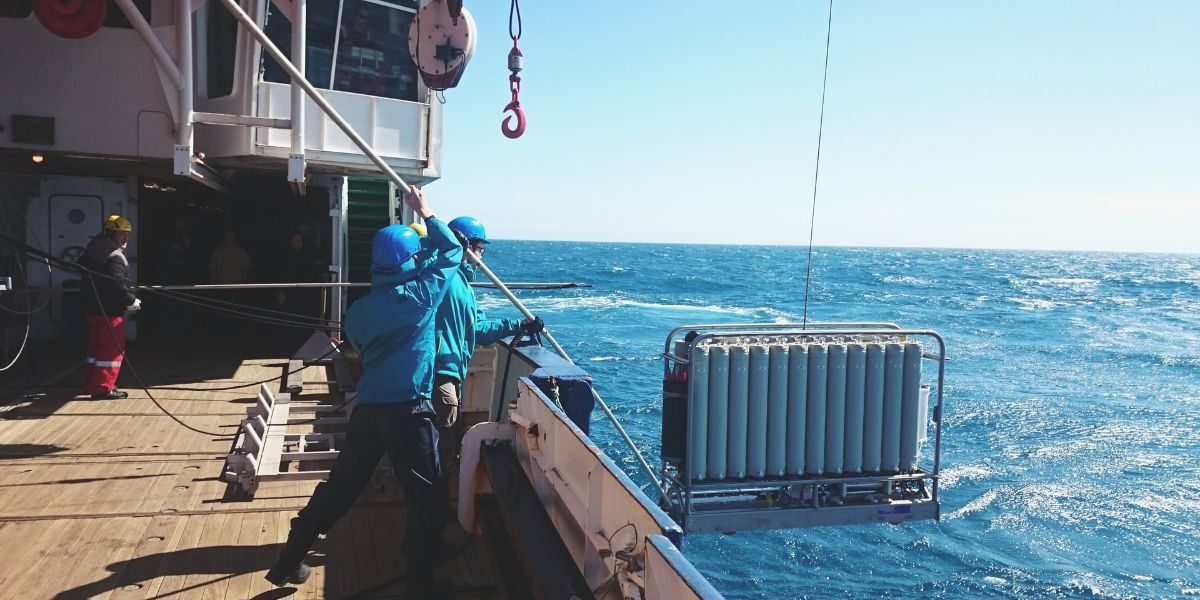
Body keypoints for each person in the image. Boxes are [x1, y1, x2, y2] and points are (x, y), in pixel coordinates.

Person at [266, 188, 461, 597]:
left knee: (341, 487)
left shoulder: (358, 310)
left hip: (370, 410)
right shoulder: (421, 297)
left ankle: (289, 559)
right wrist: (425, 212)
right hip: (409, 411)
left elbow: (357, 345)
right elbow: (453, 251)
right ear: (409, 261)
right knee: (425, 496)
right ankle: (422, 583)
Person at [432, 217, 542, 485]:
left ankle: (439, 498)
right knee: (440, 445)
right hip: (438, 373)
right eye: (479, 247)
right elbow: (478, 330)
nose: (482, 254)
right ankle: (433, 506)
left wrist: (518, 325)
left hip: (450, 371)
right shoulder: (447, 280)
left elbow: (478, 328)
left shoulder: (460, 284)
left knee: (446, 440)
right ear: (466, 245)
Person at [78, 214, 140, 400]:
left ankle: (92, 384)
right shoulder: (114, 256)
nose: (125, 239)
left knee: (96, 350)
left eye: (127, 235)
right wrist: (130, 301)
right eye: (121, 235)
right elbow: (117, 284)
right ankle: (104, 388)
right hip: (109, 312)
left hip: (93, 309)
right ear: (110, 234)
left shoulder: (93, 250)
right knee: (111, 350)